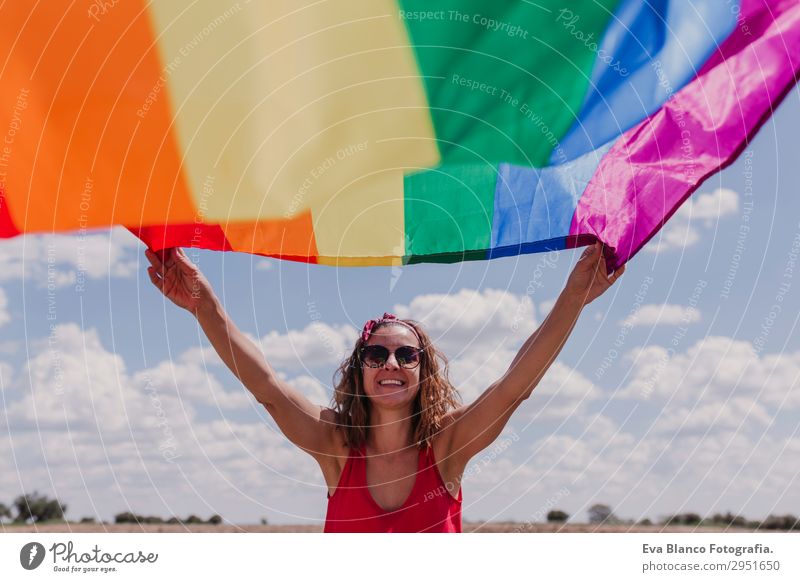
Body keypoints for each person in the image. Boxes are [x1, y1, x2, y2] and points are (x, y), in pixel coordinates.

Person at [144, 241, 624, 532]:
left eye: (406, 354)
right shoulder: (334, 445)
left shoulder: (447, 447)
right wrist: (204, 303)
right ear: (359, 371)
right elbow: (267, 387)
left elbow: (513, 387)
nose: (390, 362)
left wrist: (574, 294)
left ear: (422, 371)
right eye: (376, 354)